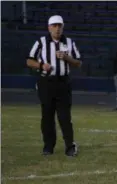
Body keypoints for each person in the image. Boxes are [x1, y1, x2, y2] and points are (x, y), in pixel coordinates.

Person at [26, 15, 81, 156]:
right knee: (47, 116)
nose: (57, 29)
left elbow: (78, 63)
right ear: (49, 27)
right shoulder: (41, 42)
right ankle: (48, 146)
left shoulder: (69, 42)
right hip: (46, 83)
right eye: (54, 26)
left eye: (59, 26)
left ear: (63, 27)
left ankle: (70, 146)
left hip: (63, 83)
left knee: (64, 117)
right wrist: (41, 65)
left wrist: (66, 57)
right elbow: (29, 61)